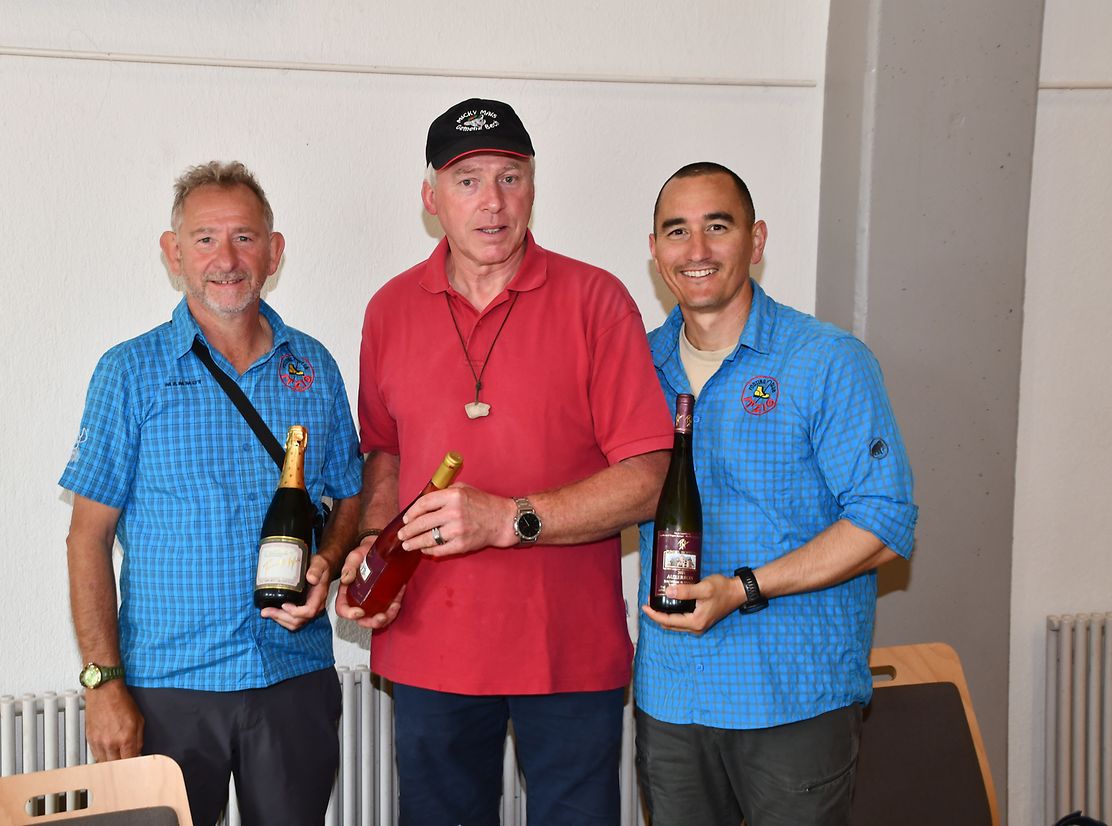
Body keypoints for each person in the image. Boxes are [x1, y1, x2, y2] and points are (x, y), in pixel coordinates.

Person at [334, 98, 673, 826]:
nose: (492, 201)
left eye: (510, 178)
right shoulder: (388, 310)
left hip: (567, 649)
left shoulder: (597, 300)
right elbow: (385, 452)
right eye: (468, 180)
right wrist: (372, 550)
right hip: (428, 643)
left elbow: (649, 481)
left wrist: (508, 519)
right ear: (431, 198)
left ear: (532, 188)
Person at [61, 161, 362, 826]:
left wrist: (328, 560)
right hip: (168, 689)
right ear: (173, 254)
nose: (226, 259)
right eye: (204, 239)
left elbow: (349, 496)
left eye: (244, 238)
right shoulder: (129, 373)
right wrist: (102, 685)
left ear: (274, 252)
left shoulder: (313, 367)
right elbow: (87, 538)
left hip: (292, 678)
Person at [633, 161, 919, 826]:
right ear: (655, 251)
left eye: (717, 227)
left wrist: (745, 588)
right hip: (671, 699)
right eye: (677, 231)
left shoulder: (826, 360)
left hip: (791, 700)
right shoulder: (637, 367)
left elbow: (883, 523)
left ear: (756, 240)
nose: (697, 249)